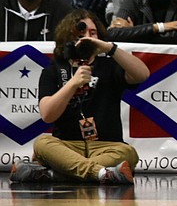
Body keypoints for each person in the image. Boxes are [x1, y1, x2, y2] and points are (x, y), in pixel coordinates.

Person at [10, 9, 150, 183]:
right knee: (42, 143)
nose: (87, 37)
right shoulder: (53, 70)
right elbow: (47, 115)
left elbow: (143, 74)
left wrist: (109, 48)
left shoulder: (109, 65)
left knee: (128, 153)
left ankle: (55, 174)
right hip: (67, 146)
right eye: (81, 32)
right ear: (68, 37)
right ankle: (101, 173)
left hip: (107, 146)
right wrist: (72, 84)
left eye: (93, 33)